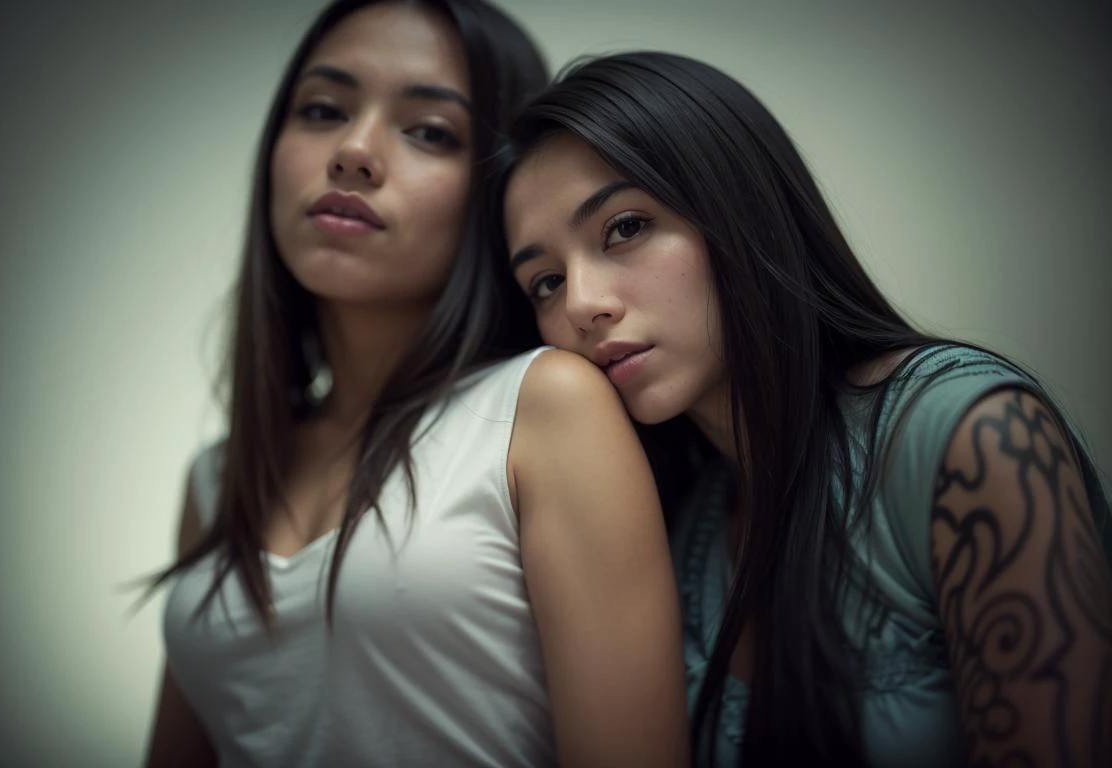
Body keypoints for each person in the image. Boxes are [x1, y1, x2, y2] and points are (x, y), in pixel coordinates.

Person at [499, 51, 1112, 767]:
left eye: (625, 227)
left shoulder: (969, 436)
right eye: (544, 281)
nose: (580, 304)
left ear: (739, 206)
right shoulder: (684, 519)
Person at [142, 8, 689, 767]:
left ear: (497, 192)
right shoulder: (218, 476)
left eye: (429, 130)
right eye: (324, 111)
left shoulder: (543, 406)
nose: (355, 153)